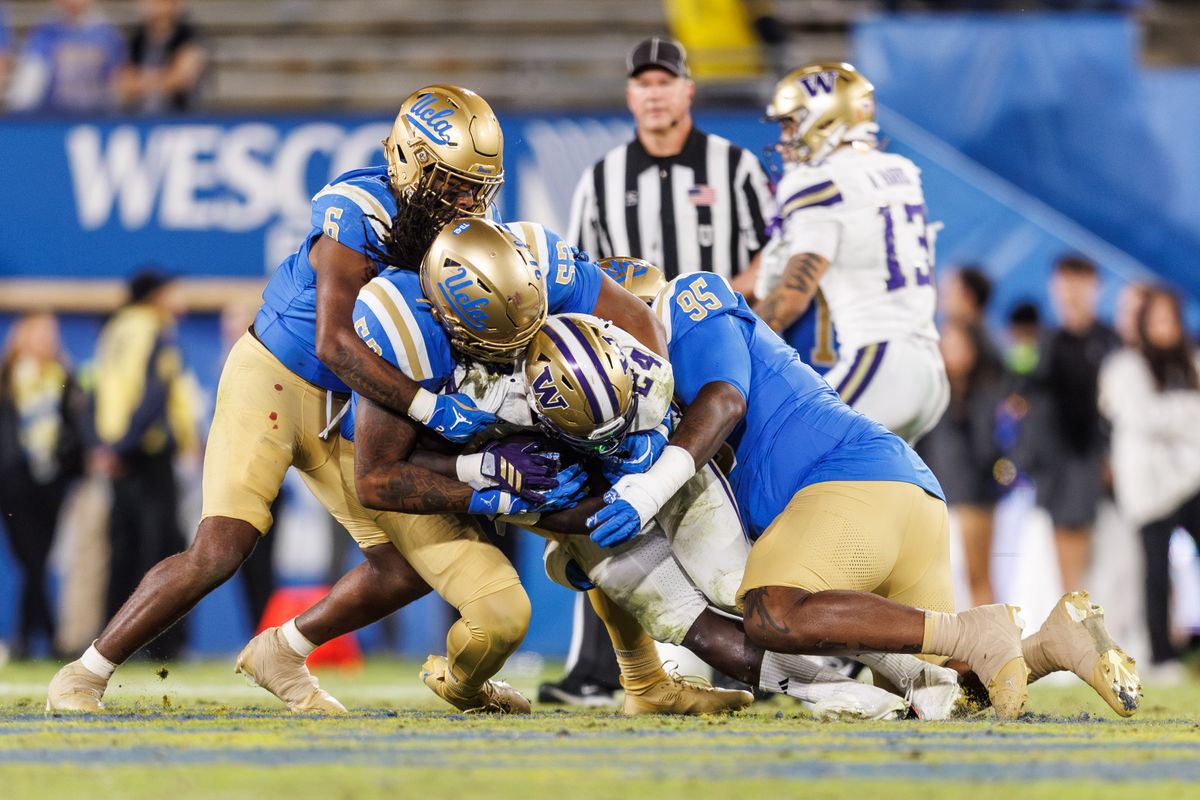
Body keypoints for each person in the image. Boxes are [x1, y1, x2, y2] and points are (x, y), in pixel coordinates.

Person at [46, 85, 519, 712]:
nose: (467, 200)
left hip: (352, 405)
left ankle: (284, 651)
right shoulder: (361, 205)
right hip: (272, 376)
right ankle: (85, 672)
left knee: (406, 567)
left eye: (476, 185)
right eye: (453, 182)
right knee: (221, 548)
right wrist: (431, 411)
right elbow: (333, 341)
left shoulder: (460, 238)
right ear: (411, 162)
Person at [237, 221, 745, 716]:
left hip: (507, 435)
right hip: (426, 460)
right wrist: (485, 476)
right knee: (498, 615)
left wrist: (645, 439)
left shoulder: (550, 270)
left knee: (603, 518)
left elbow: (641, 325)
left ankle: (647, 681)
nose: (517, 344)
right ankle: (461, 685)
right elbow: (379, 475)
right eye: (498, 338)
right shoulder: (407, 328)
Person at [586, 269, 1142, 720]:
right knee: (948, 691)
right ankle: (1054, 644)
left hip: (848, 482)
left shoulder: (686, 301)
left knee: (770, 611)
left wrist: (648, 489)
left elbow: (724, 401)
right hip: (897, 498)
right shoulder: (641, 415)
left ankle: (975, 627)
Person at [553, 34, 775, 705]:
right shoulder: (602, 179)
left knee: (739, 510)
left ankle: (764, 656)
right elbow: (580, 274)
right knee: (605, 507)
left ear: (687, 90)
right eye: (642, 83)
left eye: (664, 81)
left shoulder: (732, 167)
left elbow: (773, 254)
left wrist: (706, 305)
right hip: (629, 375)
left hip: (711, 354)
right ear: (631, 95)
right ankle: (599, 670)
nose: (653, 93)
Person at [754, 62, 948, 445]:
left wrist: (738, 337)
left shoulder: (819, 182)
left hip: (879, 359)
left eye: (791, 123)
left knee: (784, 450)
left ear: (824, 120)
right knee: (876, 493)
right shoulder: (900, 170)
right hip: (928, 367)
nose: (784, 138)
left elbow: (792, 299)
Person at [89, 269, 198, 661]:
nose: (180, 300)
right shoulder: (154, 329)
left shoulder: (113, 330)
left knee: (123, 550)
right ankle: (162, 644)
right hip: (147, 454)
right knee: (164, 551)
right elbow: (156, 393)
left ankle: (108, 642)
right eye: (173, 291)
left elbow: (95, 390)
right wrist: (129, 443)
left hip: (118, 454)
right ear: (155, 296)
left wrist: (107, 447)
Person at [1099, 286, 1200, 681]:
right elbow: (1138, 416)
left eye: (1169, 319)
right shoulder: (1124, 366)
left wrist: (1169, 415)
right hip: (1148, 487)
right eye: (1156, 319)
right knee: (1154, 572)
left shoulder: (1190, 360)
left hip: (1191, 479)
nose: (1164, 327)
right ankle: (1162, 656)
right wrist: (1188, 411)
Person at [1026, 255, 1120, 593]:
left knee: (1118, 564)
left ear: (1096, 288)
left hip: (1111, 473)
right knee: (1071, 574)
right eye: (1064, 285)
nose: (1071, 294)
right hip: (1061, 472)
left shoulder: (1113, 343)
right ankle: (1082, 636)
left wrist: (1113, 459)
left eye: (1079, 284)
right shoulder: (1042, 346)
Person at [0, 313, 84, 659]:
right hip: (13, 482)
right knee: (30, 559)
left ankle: (28, 639)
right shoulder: (8, 378)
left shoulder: (64, 377)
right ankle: (45, 636)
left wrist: (65, 460)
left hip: (51, 482)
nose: (47, 341)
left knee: (38, 559)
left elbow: (75, 429)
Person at [917, 320, 1006, 606]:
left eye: (959, 344)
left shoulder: (986, 391)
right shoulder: (933, 391)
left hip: (976, 493)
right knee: (953, 575)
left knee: (978, 572)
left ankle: (990, 638)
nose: (953, 351)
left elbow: (992, 445)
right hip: (940, 492)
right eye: (948, 344)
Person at [7, 0, 124, 113]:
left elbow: (117, 81)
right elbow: (30, 80)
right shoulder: (47, 34)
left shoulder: (107, 36)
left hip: (98, 116)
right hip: (54, 118)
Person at [118, 0, 206, 112]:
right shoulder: (137, 39)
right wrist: (162, 80)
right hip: (141, 114)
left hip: (180, 115)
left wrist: (142, 82)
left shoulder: (188, 37)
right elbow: (125, 82)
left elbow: (181, 79)